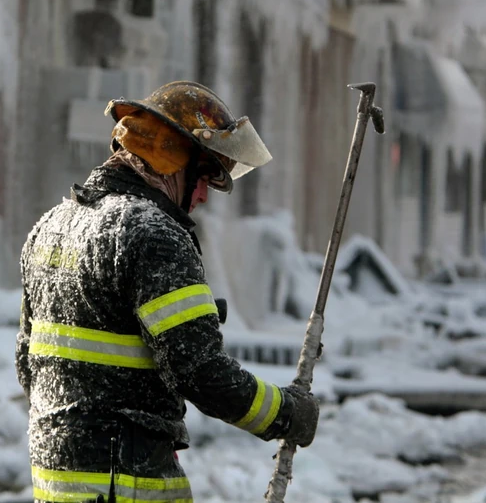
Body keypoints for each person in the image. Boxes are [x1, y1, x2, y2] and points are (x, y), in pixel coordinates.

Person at [17, 81, 320, 503]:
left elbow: (27, 364)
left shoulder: (50, 227)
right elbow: (202, 373)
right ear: (174, 161)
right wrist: (286, 413)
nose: (202, 197)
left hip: (57, 481)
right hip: (127, 484)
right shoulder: (153, 234)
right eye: (206, 177)